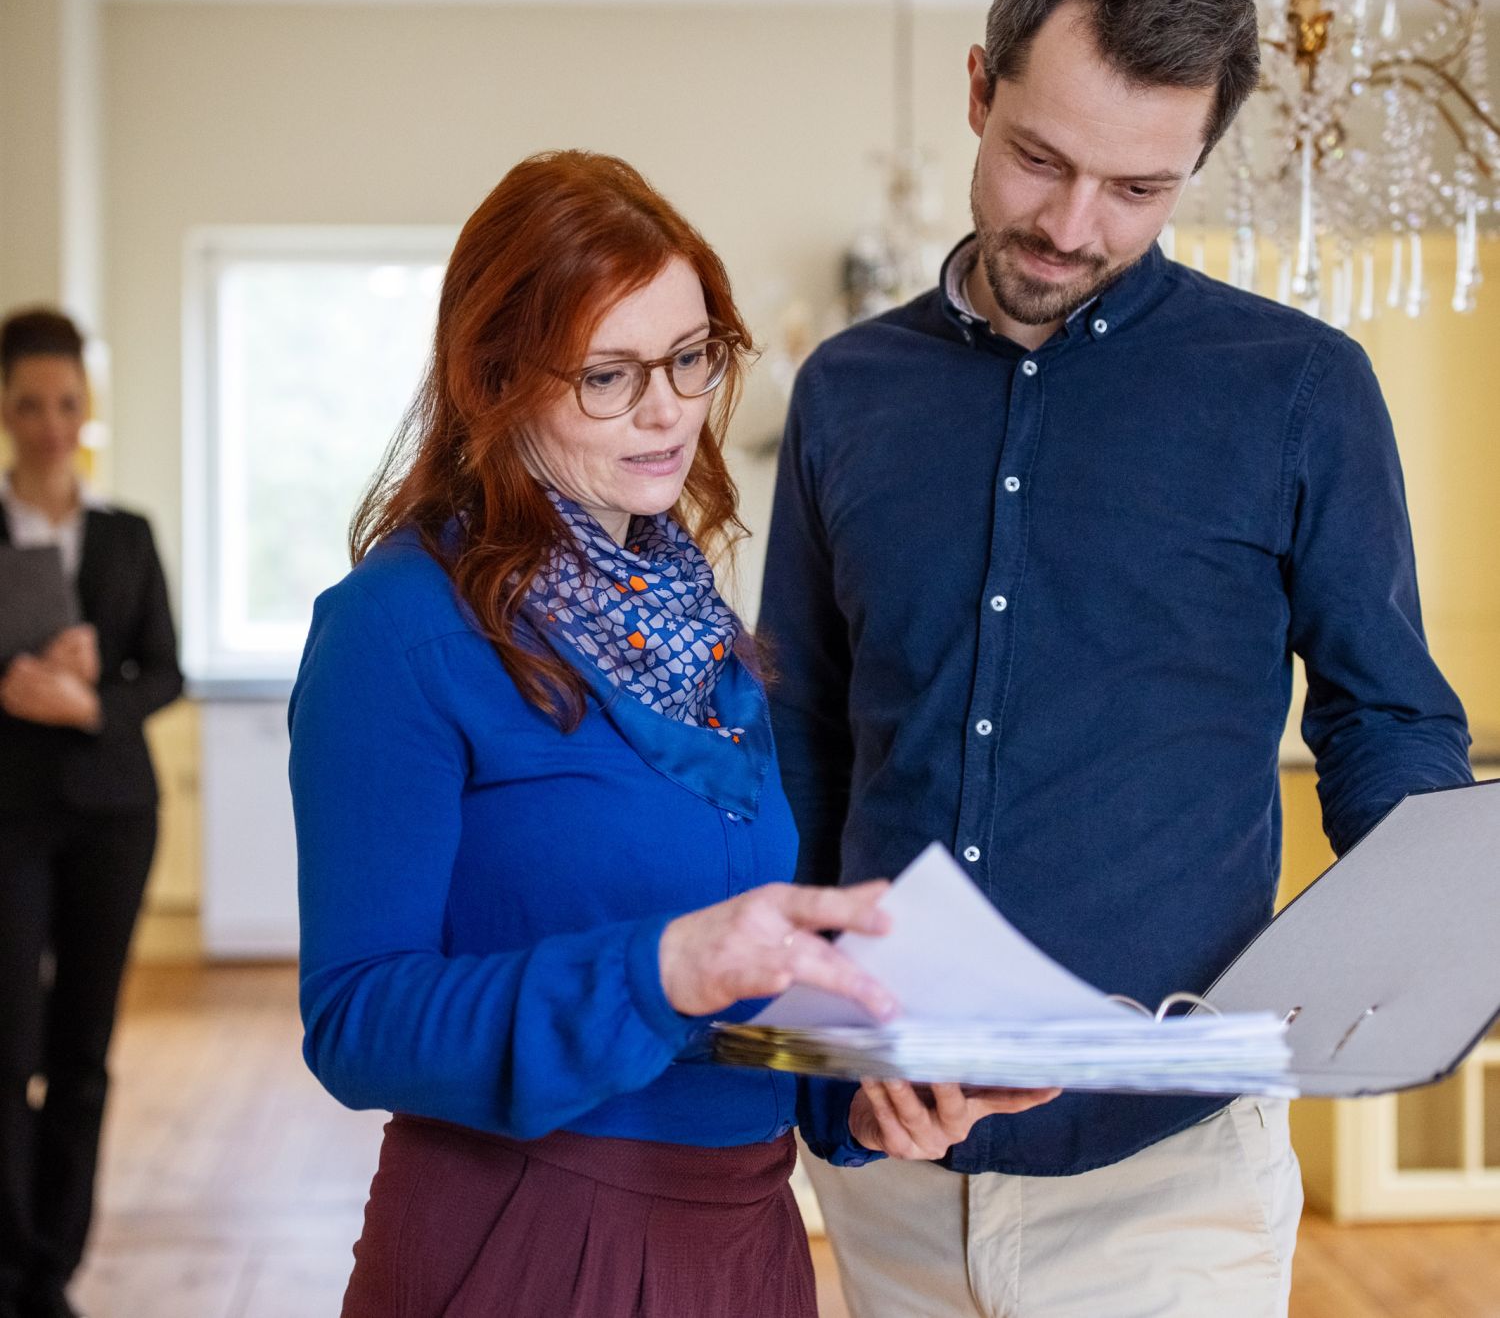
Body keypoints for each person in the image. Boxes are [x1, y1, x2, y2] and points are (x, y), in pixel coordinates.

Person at [761, 0, 1472, 1318]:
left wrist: (1424, 951)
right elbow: (804, 746)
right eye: (1038, 159)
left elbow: (1387, 717)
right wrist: (823, 1053)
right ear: (978, 88)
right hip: (889, 1165)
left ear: (1196, 159)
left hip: (1170, 1181)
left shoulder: (1299, 391)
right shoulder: (845, 391)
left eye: (1140, 189)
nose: (1073, 227)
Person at [288, 150, 1055, 1318]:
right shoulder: (393, 630)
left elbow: (734, 1018)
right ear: (494, 375)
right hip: (527, 1240)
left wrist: (856, 1094)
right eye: (609, 374)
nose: (668, 410)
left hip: (747, 1239)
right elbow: (358, 1021)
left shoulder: (694, 620)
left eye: (693, 356)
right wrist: (661, 968)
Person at [0, 308, 183, 1318]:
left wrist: (90, 697)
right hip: (9, 817)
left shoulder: (125, 535)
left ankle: (54, 1273)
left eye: (66, 403)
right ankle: (8, 1263)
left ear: (86, 408)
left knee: (81, 1052)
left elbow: (164, 673)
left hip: (114, 815)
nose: (49, 423)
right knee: (6, 1048)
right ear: (5, 408)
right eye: (29, 404)